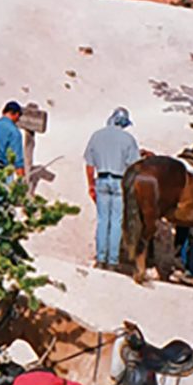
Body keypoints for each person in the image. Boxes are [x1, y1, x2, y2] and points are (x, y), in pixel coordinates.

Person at [84, 106, 140, 270]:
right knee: (116, 222)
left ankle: (101, 258)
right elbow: (134, 167)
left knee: (102, 220)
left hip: (101, 179)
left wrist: (91, 185)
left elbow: (89, 164)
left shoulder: (97, 136)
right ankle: (113, 261)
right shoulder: (128, 139)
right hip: (120, 181)